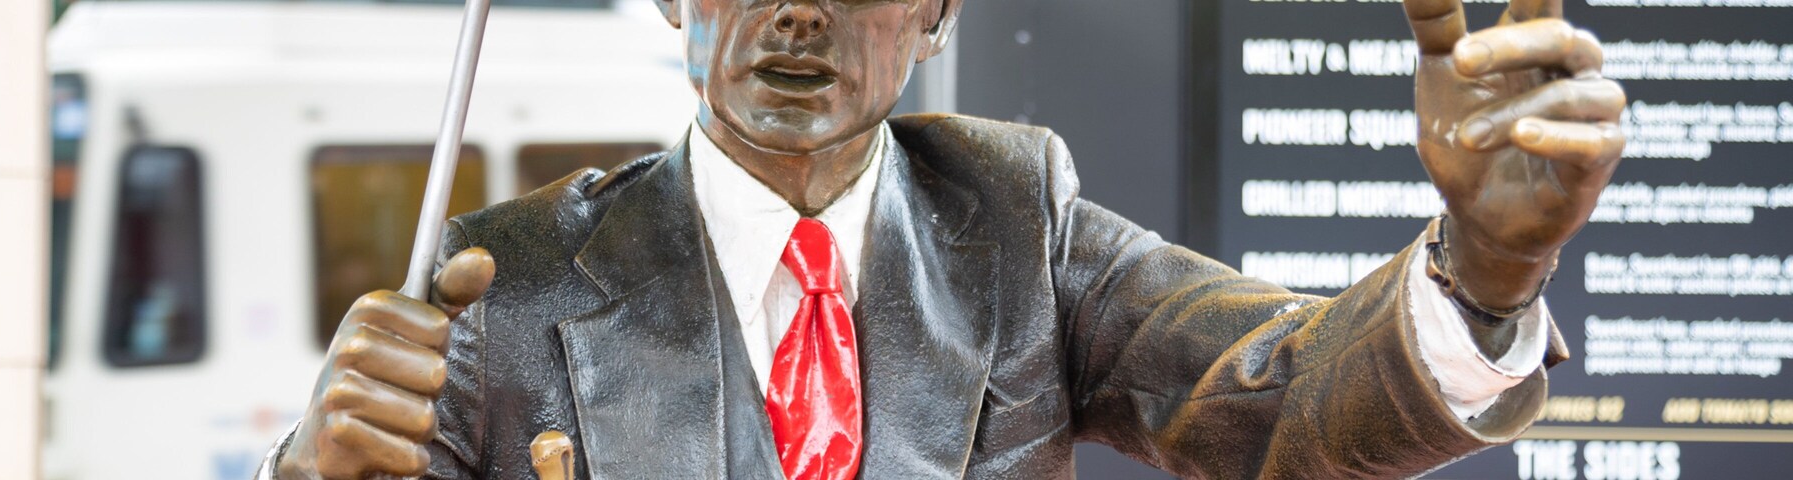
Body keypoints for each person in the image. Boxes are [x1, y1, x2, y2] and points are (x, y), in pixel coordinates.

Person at [260, 0, 1625, 478]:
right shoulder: (505, 287)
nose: (796, 13)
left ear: (939, 8)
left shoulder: (1015, 224)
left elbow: (1274, 402)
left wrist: (1489, 266)